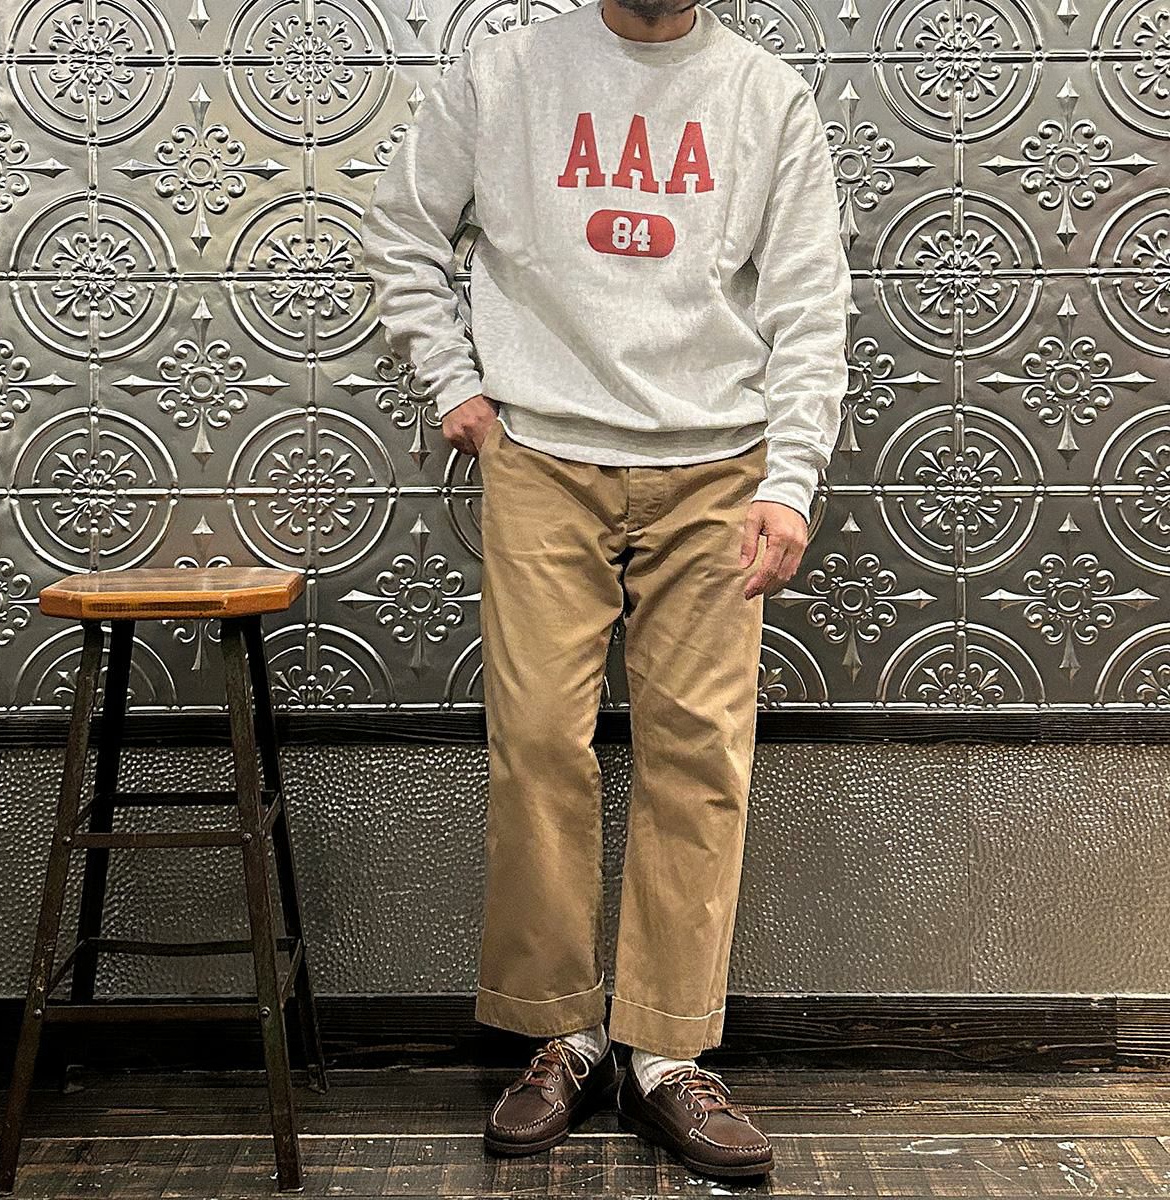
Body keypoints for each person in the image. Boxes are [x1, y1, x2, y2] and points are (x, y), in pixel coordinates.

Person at [360, 0, 852, 1180]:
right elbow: (401, 227)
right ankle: (561, 1035)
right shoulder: (507, 72)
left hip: (719, 463)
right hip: (543, 452)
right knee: (537, 740)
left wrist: (790, 481)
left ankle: (667, 1054)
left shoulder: (763, 94)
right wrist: (452, 383)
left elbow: (808, 299)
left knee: (699, 750)